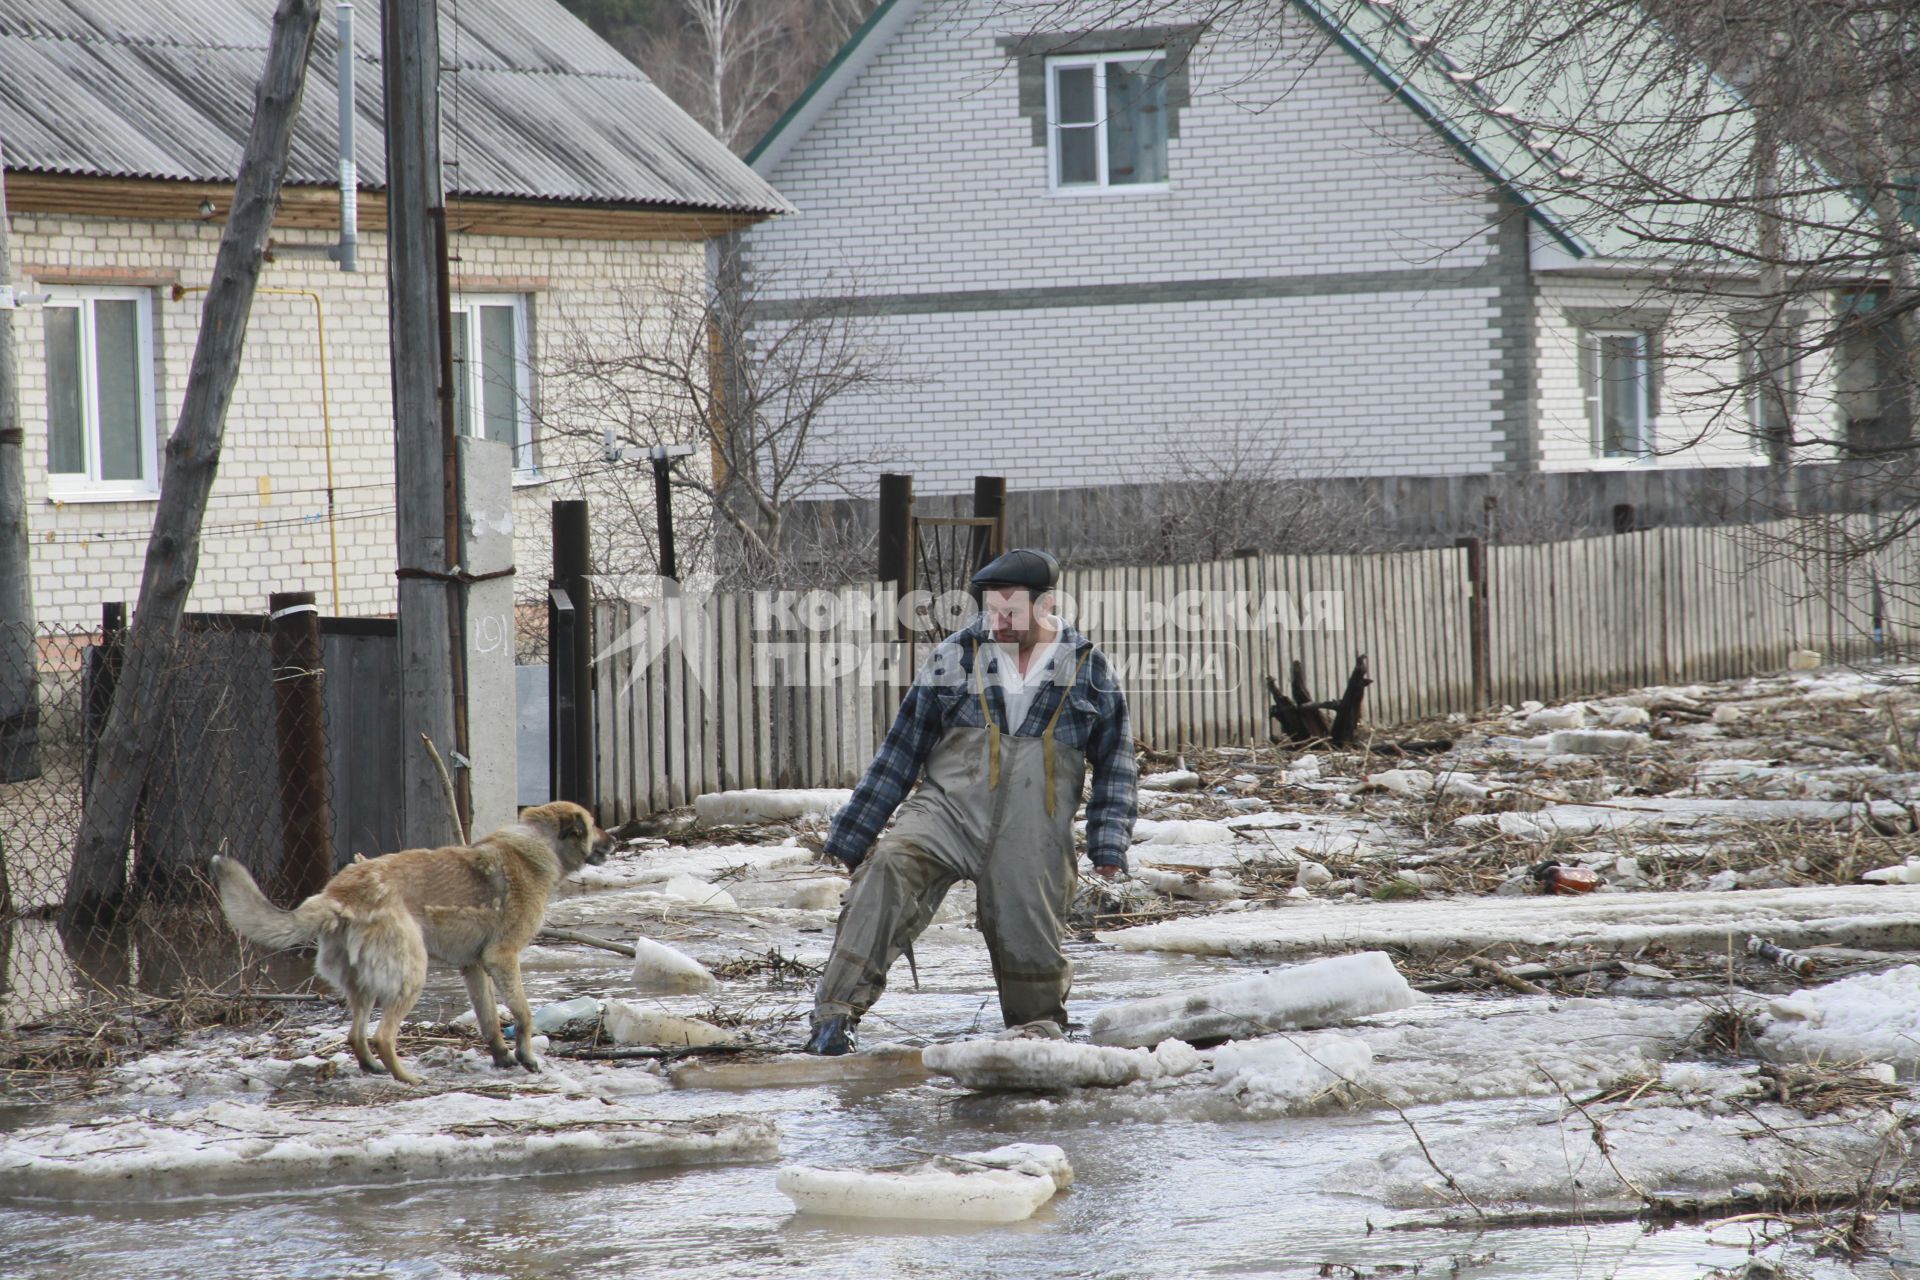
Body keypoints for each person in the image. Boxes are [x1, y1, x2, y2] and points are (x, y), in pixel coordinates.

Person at [802, 547, 1137, 1055]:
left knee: (1032, 944)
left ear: (1046, 605)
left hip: (1033, 829)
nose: (998, 622)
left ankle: (1035, 1037)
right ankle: (834, 1018)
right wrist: (849, 839)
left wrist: (1108, 844)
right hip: (948, 812)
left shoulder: (1087, 668)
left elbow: (1117, 762)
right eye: (989, 610)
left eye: (1011, 612)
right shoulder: (955, 657)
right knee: (890, 867)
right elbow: (900, 751)